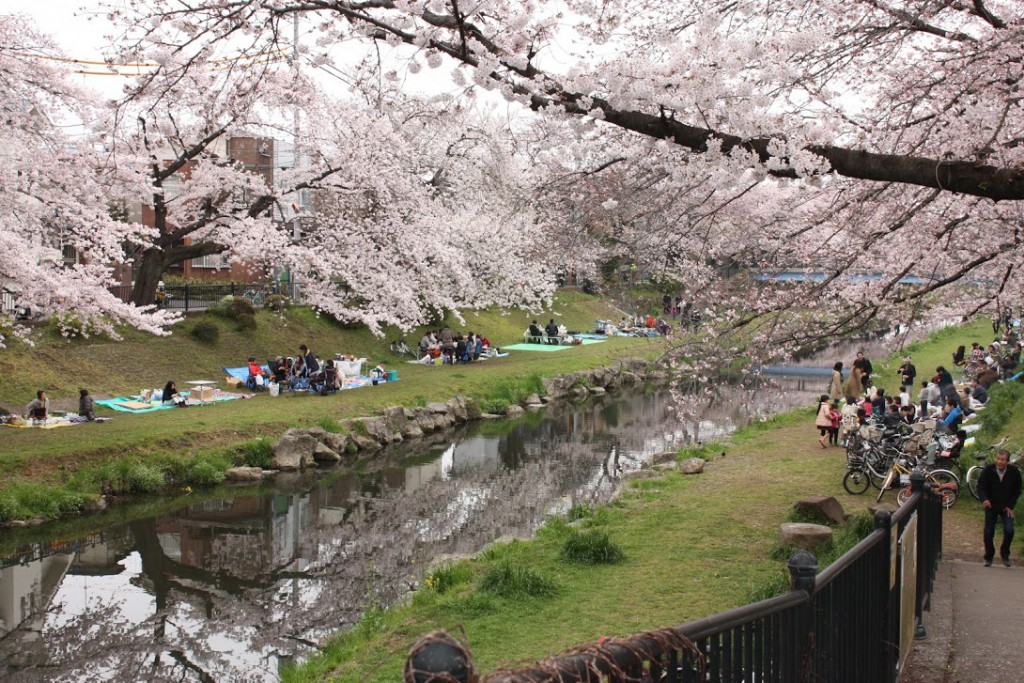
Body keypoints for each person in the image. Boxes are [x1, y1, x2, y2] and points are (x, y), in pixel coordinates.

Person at [978, 448, 1022, 567]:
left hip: (1006, 507)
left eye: (1002, 460)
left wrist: (1010, 506)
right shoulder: (988, 470)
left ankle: (1005, 554)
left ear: (1007, 461)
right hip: (991, 505)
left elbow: (1017, 491)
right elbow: (981, 487)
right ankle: (988, 557)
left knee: (1009, 530)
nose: (1000, 462)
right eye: (998, 459)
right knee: (988, 533)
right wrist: (985, 499)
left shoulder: (1014, 472)